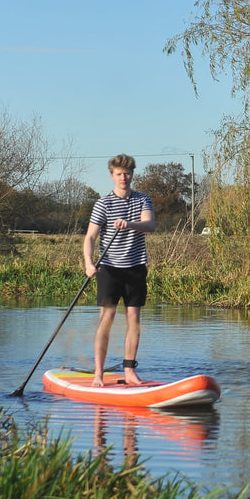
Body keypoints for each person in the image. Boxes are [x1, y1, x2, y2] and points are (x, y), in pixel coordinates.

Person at [83, 154, 156, 386]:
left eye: (127, 173)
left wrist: (130, 223)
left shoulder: (143, 199)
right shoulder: (103, 204)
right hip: (110, 269)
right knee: (107, 318)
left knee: (133, 319)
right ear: (112, 176)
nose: (123, 177)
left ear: (132, 174)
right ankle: (98, 374)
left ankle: (129, 371)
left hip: (135, 268)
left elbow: (150, 225)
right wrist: (88, 263)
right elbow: (90, 237)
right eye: (119, 174)